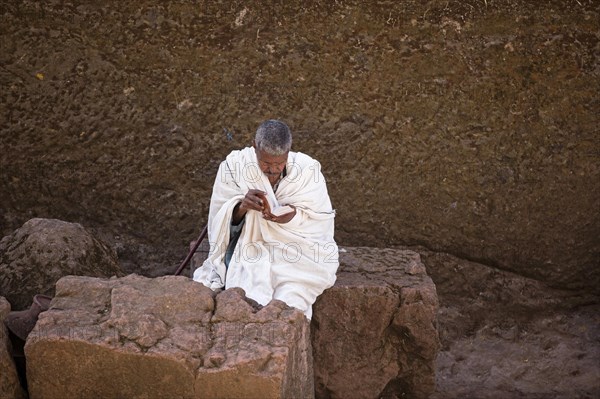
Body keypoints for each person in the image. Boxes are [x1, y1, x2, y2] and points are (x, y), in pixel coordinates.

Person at [193, 120, 339, 319]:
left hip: (296, 247)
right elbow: (220, 220)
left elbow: (317, 220)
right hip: (248, 245)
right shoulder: (234, 166)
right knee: (248, 286)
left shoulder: (308, 171)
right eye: (266, 163)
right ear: (254, 146)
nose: (272, 170)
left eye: (279, 164)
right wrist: (242, 206)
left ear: (289, 152)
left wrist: (290, 216)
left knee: (293, 291)